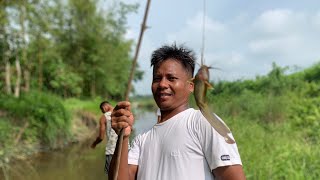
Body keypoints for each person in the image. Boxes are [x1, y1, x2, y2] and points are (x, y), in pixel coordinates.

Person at [109, 44, 246, 180]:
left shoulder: (203, 122)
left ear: (191, 86)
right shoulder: (141, 140)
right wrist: (124, 136)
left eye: (171, 78)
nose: (162, 84)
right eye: (157, 78)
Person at [91, 101, 117, 174]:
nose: (103, 112)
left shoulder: (104, 117)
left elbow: (101, 137)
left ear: (104, 107)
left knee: (111, 174)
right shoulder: (120, 112)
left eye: (102, 111)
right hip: (125, 149)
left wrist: (94, 144)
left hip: (112, 150)